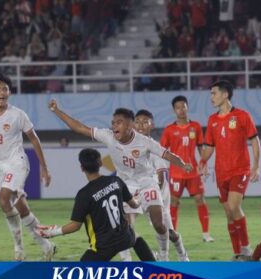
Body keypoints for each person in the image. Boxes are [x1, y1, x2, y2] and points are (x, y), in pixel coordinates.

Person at [49, 99, 193, 261]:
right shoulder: (108, 136)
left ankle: (165, 256)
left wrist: (183, 164)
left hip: (146, 182)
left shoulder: (145, 142)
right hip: (125, 184)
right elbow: (79, 127)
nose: (114, 126)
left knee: (159, 225)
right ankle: (128, 260)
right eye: (113, 123)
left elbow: (166, 154)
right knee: (123, 225)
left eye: (119, 122)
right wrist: (57, 111)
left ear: (130, 126)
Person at [0, 73, 55, 261]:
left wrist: (44, 167)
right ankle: (46, 245)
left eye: (5, 89)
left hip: (17, 163)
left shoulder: (17, 114)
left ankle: (18, 249)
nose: (1, 92)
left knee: (4, 199)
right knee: (21, 207)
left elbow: (34, 139)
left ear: (9, 93)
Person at [36, 148, 156, 261]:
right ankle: (156, 270)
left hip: (103, 246)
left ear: (82, 168)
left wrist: (52, 232)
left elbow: (75, 226)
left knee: (83, 271)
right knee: (136, 238)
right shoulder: (116, 181)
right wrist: (139, 198)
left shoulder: (84, 194)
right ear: (100, 163)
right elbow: (134, 205)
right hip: (125, 237)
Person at [199, 80, 260, 260]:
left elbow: (254, 140)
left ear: (225, 95)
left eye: (214, 93)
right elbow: (209, 146)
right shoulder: (212, 120)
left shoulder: (242, 116)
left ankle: (247, 249)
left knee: (234, 206)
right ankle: (237, 252)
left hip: (239, 170)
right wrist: (202, 160)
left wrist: (256, 165)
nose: (211, 97)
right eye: (211, 94)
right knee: (228, 213)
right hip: (221, 173)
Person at [134, 109, 189, 261]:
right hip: (138, 195)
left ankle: (179, 253)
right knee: (124, 226)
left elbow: (161, 176)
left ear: (152, 125)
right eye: (138, 121)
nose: (141, 125)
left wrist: (153, 190)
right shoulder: (129, 147)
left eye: (145, 122)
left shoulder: (155, 148)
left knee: (165, 231)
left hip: (159, 197)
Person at [161, 95, 214, 242]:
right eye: (178, 107)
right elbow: (162, 151)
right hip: (176, 174)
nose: (181, 110)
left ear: (187, 107)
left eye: (183, 106)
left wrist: (203, 164)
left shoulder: (195, 127)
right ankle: (173, 234)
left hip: (193, 173)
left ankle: (206, 234)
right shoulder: (169, 130)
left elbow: (200, 148)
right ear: (174, 110)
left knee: (200, 199)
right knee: (174, 202)